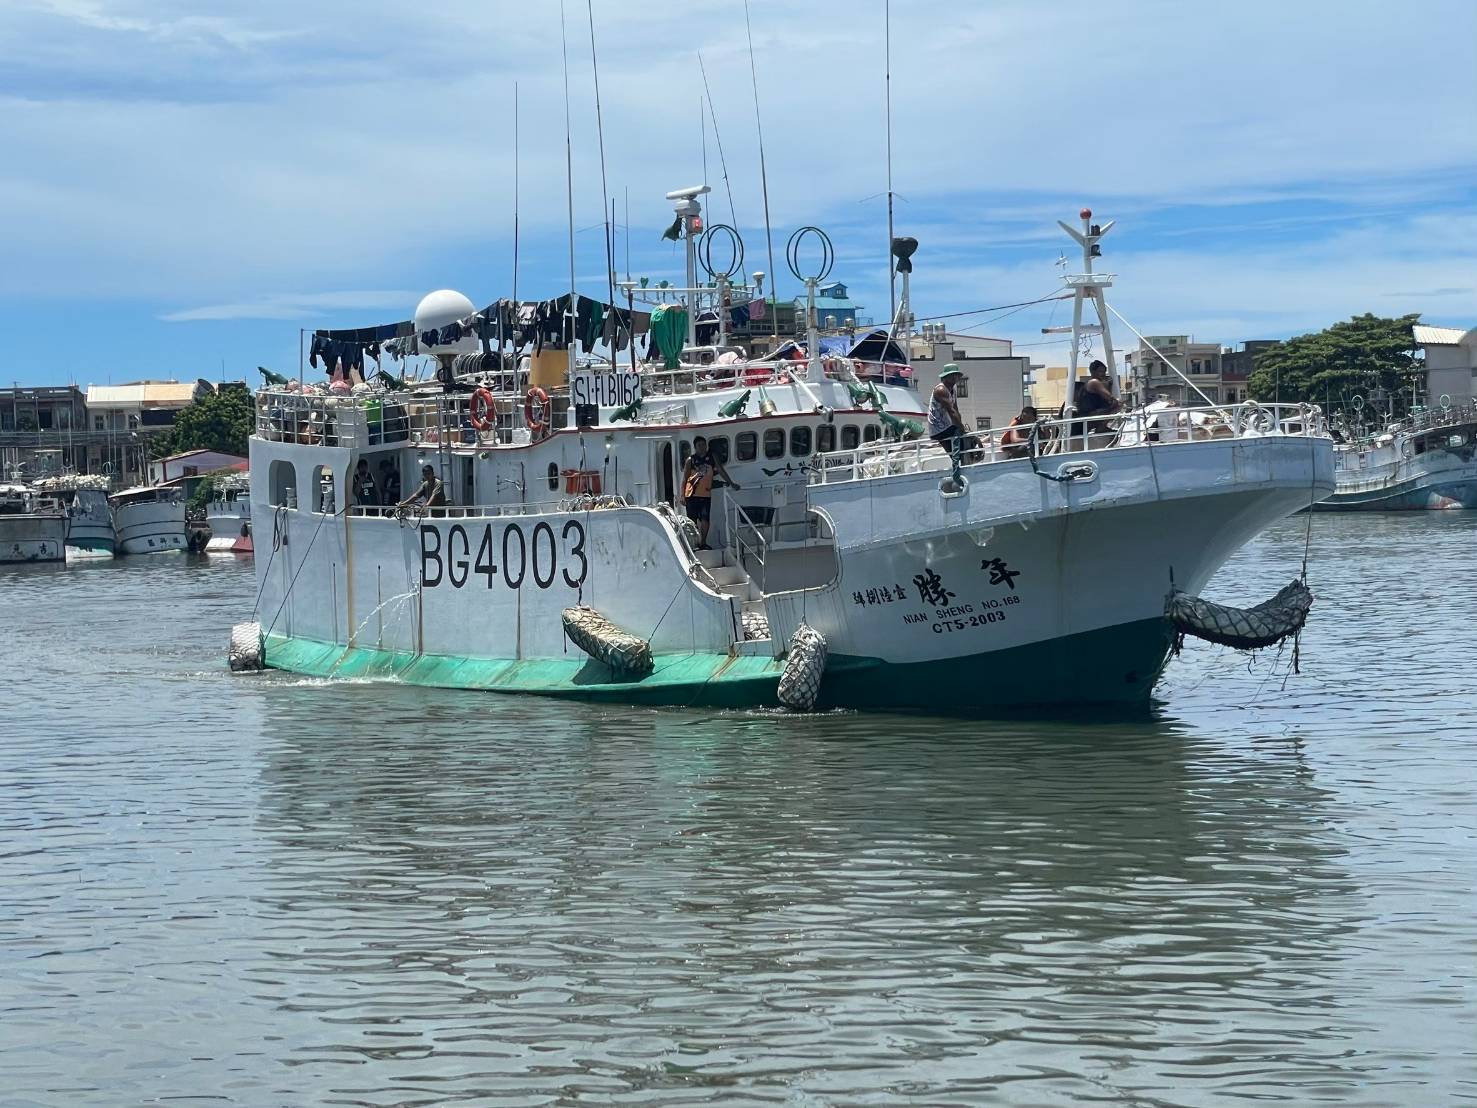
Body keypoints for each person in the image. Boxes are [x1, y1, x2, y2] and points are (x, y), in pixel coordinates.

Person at [680, 435, 739, 550]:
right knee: (692, 521)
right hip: (691, 495)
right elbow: (685, 479)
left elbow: (721, 470)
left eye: (704, 445)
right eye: (699, 445)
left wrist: (731, 483)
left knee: (705, 519)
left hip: (705, 494)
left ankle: (703, 542)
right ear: (695, 447)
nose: (702, 447)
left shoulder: (712, 457)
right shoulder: (690, 460)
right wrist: (682, 495)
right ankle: (694, 544)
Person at [1070, 359, 1121, 444]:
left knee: (1114, 404)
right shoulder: (1094, 382)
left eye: (1104, 372)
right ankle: (1101, 428)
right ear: (1093, 372)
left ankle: (1102, 427)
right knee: (1119, 404)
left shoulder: (1091, 383)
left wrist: (1109, 386)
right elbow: (1110, 398)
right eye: (1100, 371)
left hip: (1087, 415)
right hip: (1089, 415)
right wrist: (1108, 385)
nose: (1103, 374)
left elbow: (1107, 400)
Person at [928, 365, 967, 455]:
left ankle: (960, 460)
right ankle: (958, 461)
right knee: (960, 441)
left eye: (956, 375)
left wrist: (961, 426)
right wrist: (961, 428)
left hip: (947, 426)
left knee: (964, 441)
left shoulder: (952, 390)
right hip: (938, 429)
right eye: (952, 375)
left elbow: (956, 410)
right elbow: (952, 412)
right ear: (945, 377)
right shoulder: (941, 390)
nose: (955, 377)